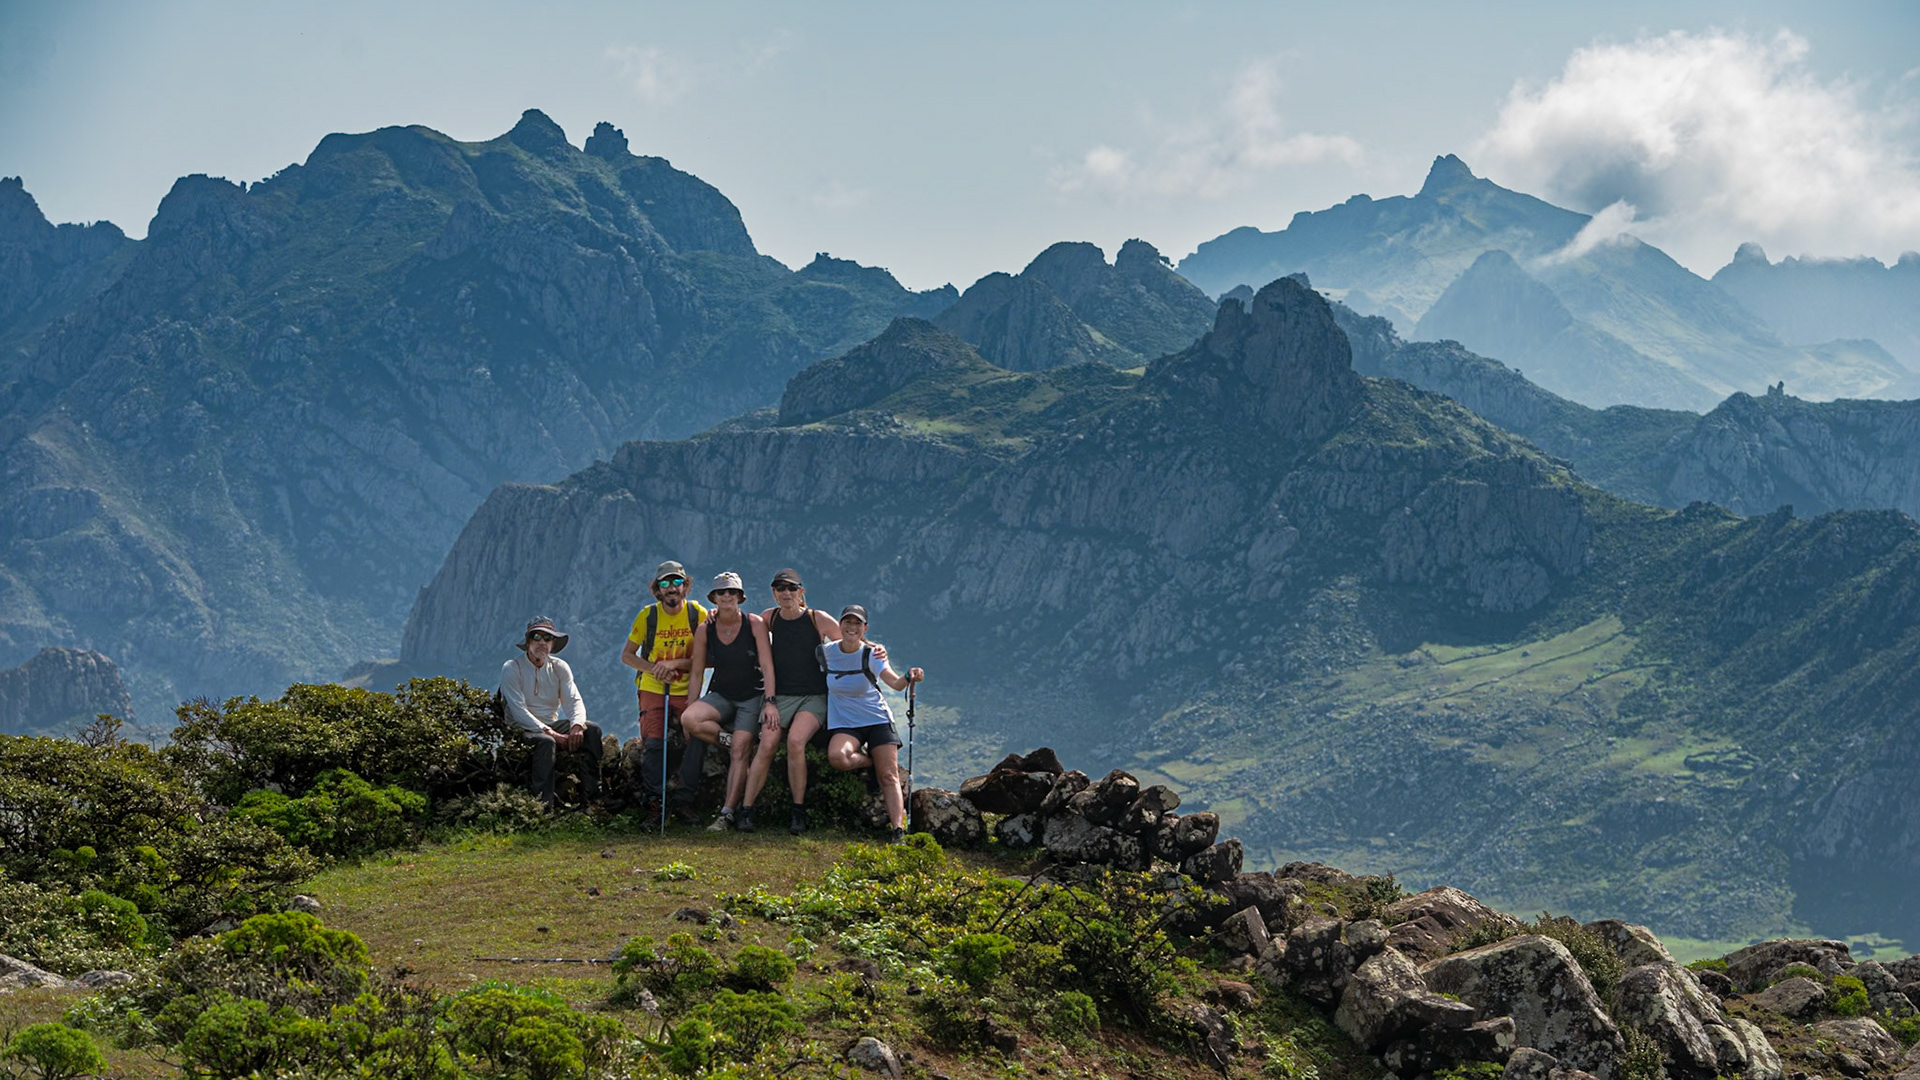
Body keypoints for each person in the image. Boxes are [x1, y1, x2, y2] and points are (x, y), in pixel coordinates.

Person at [746, 568, 842, 835]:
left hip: (814, 697)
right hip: (780, 697)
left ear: (801, 592)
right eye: (780, 588)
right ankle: (746, 810)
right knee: (766, 744)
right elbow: (745, 631)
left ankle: (797, 811)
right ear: (774, 593)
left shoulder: (816, 619)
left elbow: (850, 644)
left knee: (796, 742)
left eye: (791, 588)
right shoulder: (770, 618)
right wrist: (770, 701)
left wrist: (876, 650)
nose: (786, 593)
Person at [680, 571, 777, 832]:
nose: (726, 596)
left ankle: (727, 813)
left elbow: (767, 666)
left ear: (740, 597)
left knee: (739, 753)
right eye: (721, 592)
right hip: (722, 694)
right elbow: (698, 671)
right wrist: (692, 704)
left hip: (752, 696)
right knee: (691, 719)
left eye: (731, 592)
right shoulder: (705, 629)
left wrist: (769, 701)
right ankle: (730, 740)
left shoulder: (754, 623)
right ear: (713, 597)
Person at [819, 604, 922, 844]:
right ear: (840, 625)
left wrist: (909, 676)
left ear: (864, 628)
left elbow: (895, 684)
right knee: (838, 757)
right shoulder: (825, 653)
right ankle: (872, 761)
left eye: (857, 623)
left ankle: (898, 831)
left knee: (888, 776)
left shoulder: (872, 655)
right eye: (847, 622)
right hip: (845, 723)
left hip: (877, 719)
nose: (851, 627)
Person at [619, 561, 707, 819]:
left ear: (685, 586)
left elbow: (709, 658)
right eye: (665, 583)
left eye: (677, 582)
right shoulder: (648, 616)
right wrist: (653, 668)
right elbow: (627, 656)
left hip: (686, 689)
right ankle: (655, 804)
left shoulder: (697, 614)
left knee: (697, 740)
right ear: (657, 590)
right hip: (653, 688)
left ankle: (684, 800)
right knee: (654, 744)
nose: (671, 588)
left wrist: (675, 664)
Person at [499, 615, 601, 807]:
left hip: (550, 724)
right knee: (545, 742)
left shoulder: (559, 667)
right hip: (521, 730)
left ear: (553, 643)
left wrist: (577, 725)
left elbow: (573, 700)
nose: (542, 643)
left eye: (548, 638)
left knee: (592, 730)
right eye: (537, 637)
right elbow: (519, 712)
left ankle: (593, 799)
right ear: (528, 641)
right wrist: (551, 733)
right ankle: (542, 806)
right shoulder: (512, 668)